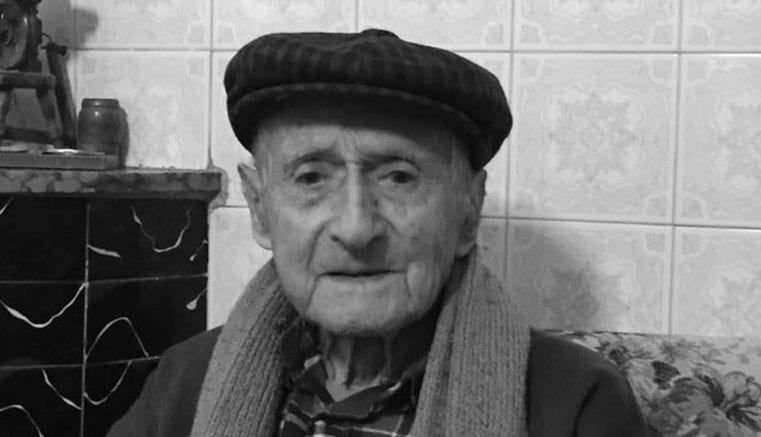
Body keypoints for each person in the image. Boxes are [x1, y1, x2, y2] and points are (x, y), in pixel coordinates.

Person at [108, 29, 648, 437]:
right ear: (260, 210)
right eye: (312, 177)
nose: (356, 228)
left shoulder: (573, 404)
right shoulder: (186, 385)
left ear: (468, 211)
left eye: (399, 177)